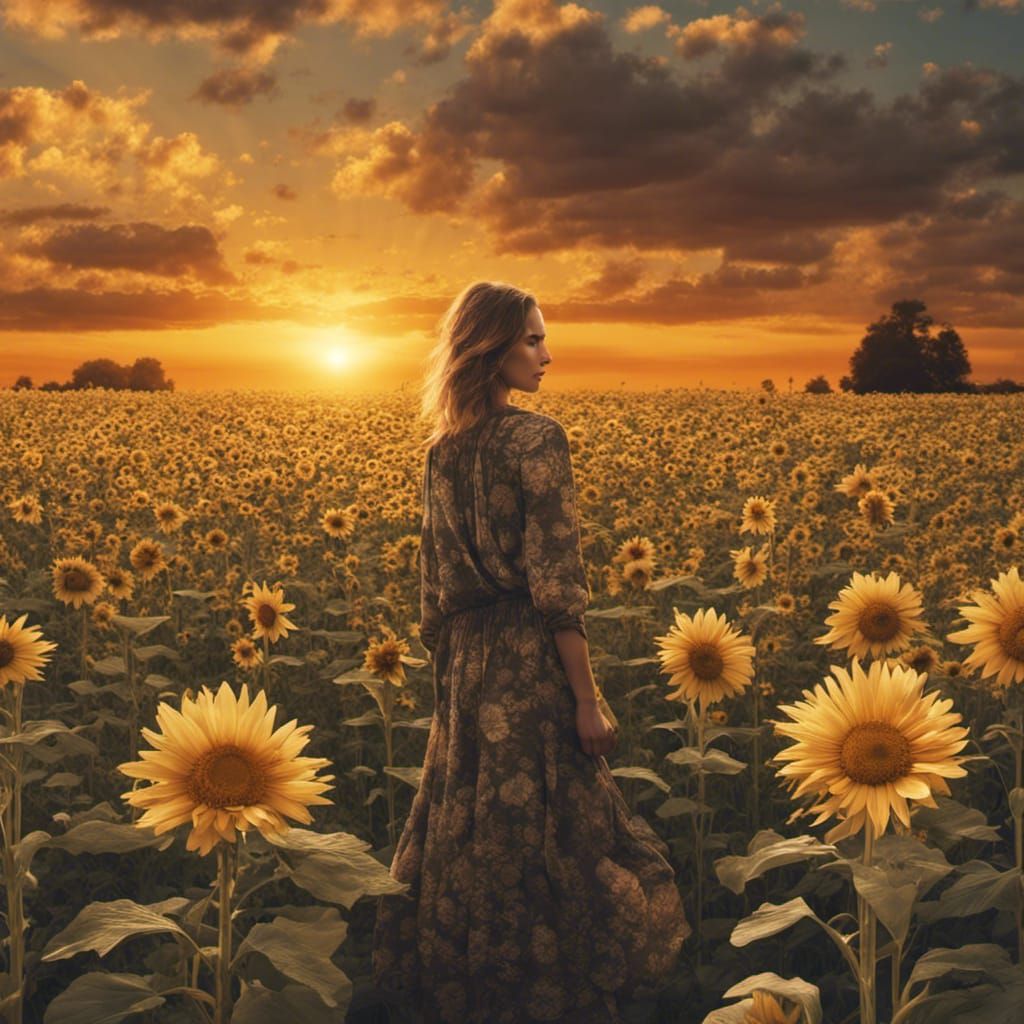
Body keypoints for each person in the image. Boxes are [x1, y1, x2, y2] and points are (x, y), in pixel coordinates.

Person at [372, 282, 691, 1023]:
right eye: (533, 341)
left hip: (463, 666)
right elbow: (556, 585)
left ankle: (475, 989)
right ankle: (560, 991)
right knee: (563, 831)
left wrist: (455, 678)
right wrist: (586, 698)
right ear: (490, 349)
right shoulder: (536, 439)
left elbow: (432, 595)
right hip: (528, 660)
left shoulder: (441, 453)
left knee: (472, 828)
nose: (549, 354)